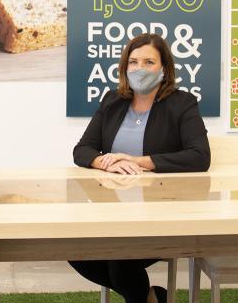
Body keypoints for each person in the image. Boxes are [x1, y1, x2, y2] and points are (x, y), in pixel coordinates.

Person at [70, 33, 211, 303]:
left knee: (120, 260)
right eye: (133, 62)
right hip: (114, 212)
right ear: (125, 67)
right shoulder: (113, 101)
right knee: (73, 249)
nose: (139, 69)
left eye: (148, 62)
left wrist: (139, 161)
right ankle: (151, 297)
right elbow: (82, 150)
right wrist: (106, 162)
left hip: (162, 213)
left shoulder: (182, 103)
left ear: (164, 68)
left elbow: (199, 157)